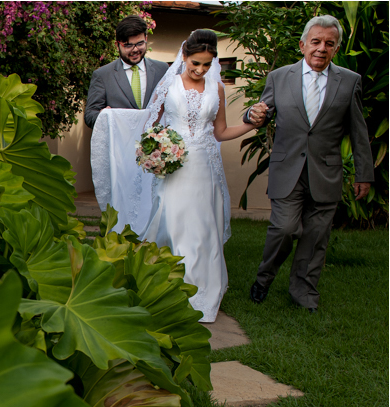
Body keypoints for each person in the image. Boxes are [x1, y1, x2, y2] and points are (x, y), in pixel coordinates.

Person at [91, 30, 266, 323]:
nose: (200, 70)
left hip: (204, 167)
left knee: (203, 228)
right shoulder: (168, 84)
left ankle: (201, 295)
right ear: (184, 56)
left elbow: (221, 132)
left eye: (207, 65)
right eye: (195, 63)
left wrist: (251, 125)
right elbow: (149, 125)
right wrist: (154, 149)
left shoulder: (217, 89)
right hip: (173, 167)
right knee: (171, 223)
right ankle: (165, 287)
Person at [246, 15, 374, 313]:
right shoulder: (279, 76)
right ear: (303, 45)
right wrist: (253, 114)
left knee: (316, 237)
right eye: (315, 42)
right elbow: (262, 111)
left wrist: (364, 174)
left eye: (329, 43)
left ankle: (304, 295)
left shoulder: (349, 81)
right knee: (284, 228)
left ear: (336, 48)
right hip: (287, 168)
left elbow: (358, 131)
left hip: (326, 172)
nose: (321, 48)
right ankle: (263, 279)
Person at [84, 16, 170, 129]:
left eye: (139, 43)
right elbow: (90, 115)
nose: (135, 49)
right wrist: (104, 117)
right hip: (119, 144)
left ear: (146, 39)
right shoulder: (102, 75)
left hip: (155, 144)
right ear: (117, 45)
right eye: (128, 45)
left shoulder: (162, 69)